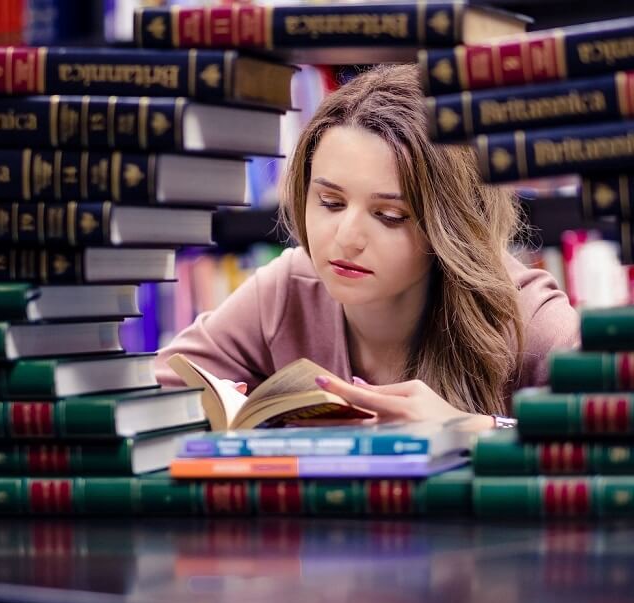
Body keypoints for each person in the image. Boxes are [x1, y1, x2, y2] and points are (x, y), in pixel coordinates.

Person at [156, 64, 579, 431]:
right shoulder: (289, 288)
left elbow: (632, 437)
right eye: (331, 203)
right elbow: (154, 394)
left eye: (390, 215)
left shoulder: (528, 316)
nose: (346, 238)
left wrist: (479, 429)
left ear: (450, 228)